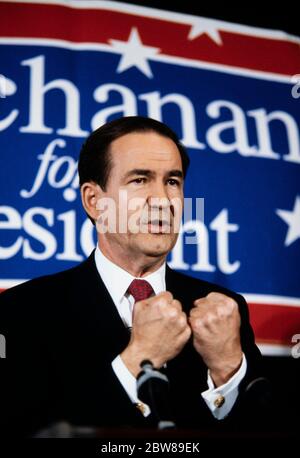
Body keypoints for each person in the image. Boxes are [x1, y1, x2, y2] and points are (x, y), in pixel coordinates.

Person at [0, 116, 270, 437]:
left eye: (172, 181)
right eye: (140, 180)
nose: (161, 200)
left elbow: (267, 430)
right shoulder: (23, 310)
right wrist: (136, 361)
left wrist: (227, 369)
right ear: (94, 201)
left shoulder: (225, 309)